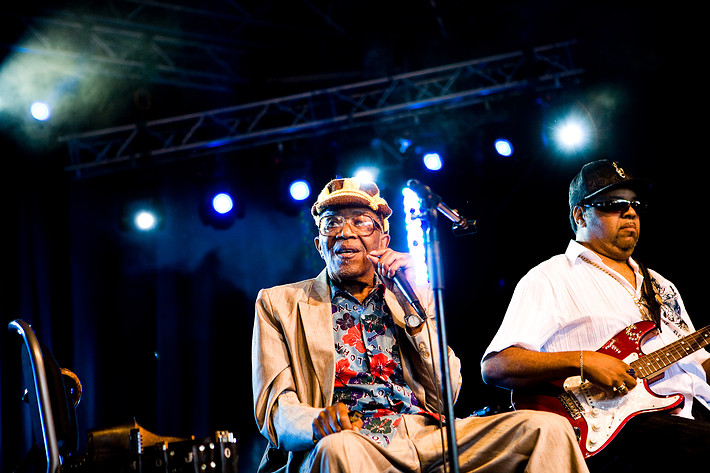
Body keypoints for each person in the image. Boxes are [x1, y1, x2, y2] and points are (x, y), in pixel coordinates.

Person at [252, 177, 589, 473]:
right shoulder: (279, 304)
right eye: (332, 223)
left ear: (383, 240)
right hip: (353, 440)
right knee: (337, 449)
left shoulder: (412, 292)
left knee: (548, 429)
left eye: (361, 222)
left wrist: (411, 310)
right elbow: (275, 409)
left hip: (431, 435)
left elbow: (447, 397)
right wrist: (315, 421)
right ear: (319, 245)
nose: (345, 233)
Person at [481, 160, 710, 472]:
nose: (630, 212)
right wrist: (583, 360)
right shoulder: (551, 276)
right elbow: (496, 366)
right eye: (614, 204)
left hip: (692, 416)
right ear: (580, 215)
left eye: (634, 205)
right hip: (617, 431)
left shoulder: (660, 286)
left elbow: (698, 361)